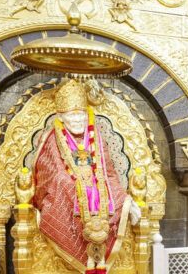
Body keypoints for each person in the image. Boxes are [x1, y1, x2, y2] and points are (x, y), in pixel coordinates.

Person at [33, 79, 140, 274]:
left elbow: (108, 172)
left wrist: (125, 200)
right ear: (61, 117)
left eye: (81, 117)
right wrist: (76, 186)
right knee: (64, 184)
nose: (77, 122)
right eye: (72, 118)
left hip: (99, 188)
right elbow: (51, 173)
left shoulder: (96, 137)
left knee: (118, 197)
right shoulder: (51, 138)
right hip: (66, 192)